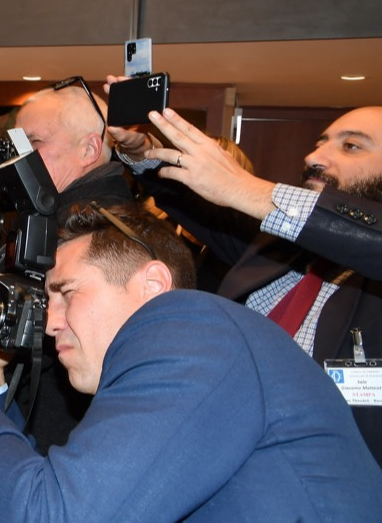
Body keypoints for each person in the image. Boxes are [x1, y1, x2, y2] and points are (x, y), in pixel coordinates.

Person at [0, 204, 382, 523]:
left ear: (154, 286)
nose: (51, 322)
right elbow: (59, 501)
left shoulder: (192, 329)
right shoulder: (180, 362)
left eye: (67, 292)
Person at [108, 99, 382, 463]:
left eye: (351, 146)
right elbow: (200, 205)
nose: (314, 157)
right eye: (320, 142)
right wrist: (146, 154)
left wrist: (245, 187)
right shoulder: (281, 248)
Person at [0, 77, 132, 448]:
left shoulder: (98, 225)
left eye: (34, 144)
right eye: (15, 145)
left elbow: (13, 317)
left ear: (89, 149)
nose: (17, 158)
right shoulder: (41, 211)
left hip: (47, 442)